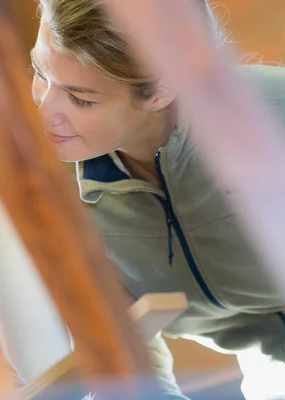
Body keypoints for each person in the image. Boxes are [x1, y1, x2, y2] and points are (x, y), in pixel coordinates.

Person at [31, 0, 285, 399]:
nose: (46, 113)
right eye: (39, 73)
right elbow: (124, 348)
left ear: (161, 90)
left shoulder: (274, 117)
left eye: (80, 99)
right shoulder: (51, 187)